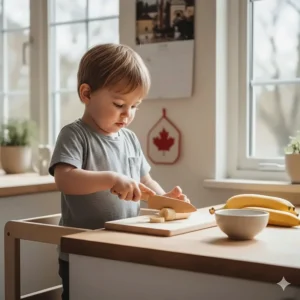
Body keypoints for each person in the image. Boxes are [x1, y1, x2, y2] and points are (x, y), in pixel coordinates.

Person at [48, 43, 189, 300]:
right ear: (86, 94)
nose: (128, 114)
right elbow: (65, 179)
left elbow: (144, 179)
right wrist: (111, 179)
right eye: (119, 104)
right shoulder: (74, 135)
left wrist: (165, 199)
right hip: (82, 252)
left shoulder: (130, 139)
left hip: (125, 246)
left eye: (135, 106)